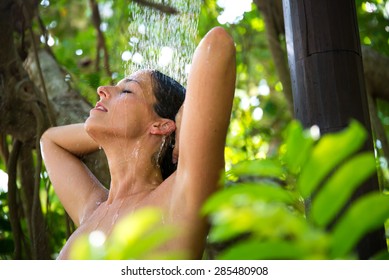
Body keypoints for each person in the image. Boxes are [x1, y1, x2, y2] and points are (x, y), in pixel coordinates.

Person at [40, 26, 236, 259]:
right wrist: (107, 128)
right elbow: (50, 140)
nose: (102, 90)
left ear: (161, 126)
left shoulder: (178, 198)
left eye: (127, 91)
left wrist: (183, 119)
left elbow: (218, 44)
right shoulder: (92, 210)